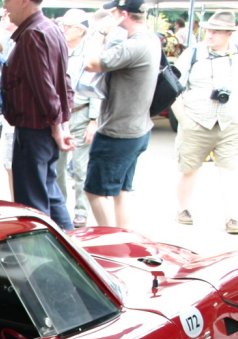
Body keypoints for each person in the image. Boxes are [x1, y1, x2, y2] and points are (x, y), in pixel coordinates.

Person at [173, 10, 238, 235]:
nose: (209, 35)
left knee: (230, 169)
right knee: (189, 168)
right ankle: (183, 209)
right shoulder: (193, 53)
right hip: (197, 119)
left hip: (231, 122)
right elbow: (172, 87)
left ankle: (232, 217)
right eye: (208, 30)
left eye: (216, 32)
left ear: (229, 34)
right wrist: (183, 118)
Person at [82, 0, 159, 229]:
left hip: (118, 132)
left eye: (113, 12)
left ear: (122, 14)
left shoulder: (134, 46)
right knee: (121, 192)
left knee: (95, 192)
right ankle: (123, 239)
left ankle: (110, 240)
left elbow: (91, 62)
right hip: (136, 129)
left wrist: (101, 32)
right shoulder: (150, 40)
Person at [0, 0, 73, 230]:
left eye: (8, 0)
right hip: (42, 129)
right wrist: (61, 124)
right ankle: (71, 249)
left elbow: (46, 88)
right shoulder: (49, 29)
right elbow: (63, 82)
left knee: (34, 203)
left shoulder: (33, 34)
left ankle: (46, 257)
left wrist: (57, 126)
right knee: (49, 193)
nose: (4, 6)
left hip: (34, 130)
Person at [56, 8, 100, 227]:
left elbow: (98, 89)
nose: (63, 29)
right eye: (63, 25)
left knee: (81, 167)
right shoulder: (59, 48)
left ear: (81, 30)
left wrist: (94, 120)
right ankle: (60, 207)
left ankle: (81, 211)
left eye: (68, 26)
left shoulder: (90, 53)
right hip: (61, 116)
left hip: (82, 113)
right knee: (58, 166)